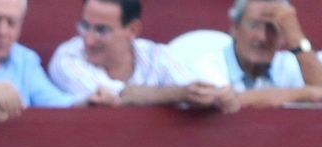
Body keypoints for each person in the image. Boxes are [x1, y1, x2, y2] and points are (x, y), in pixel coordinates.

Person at [48, 0, 239, 111]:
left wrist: (214, 96)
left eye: (102, 30)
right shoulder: (68, 57)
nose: (88, 40)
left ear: (132, 30)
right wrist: (179, 94)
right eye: (85, 27)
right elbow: (115, 97)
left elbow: (190, 88)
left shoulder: (156, 55)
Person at [169, 0, 322, 107]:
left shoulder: (288, 64)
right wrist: (303, 94)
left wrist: (297, 38)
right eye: (254, 26)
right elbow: (223, 102)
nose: (262, 37)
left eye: (272, 28)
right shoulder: (206, 64)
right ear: (235, 29)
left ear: (283, 36)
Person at [0, 0, 109, 108]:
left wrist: (88, 101)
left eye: (12, 23)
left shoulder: (25, 60)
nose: (2, 31)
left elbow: (55, 102)